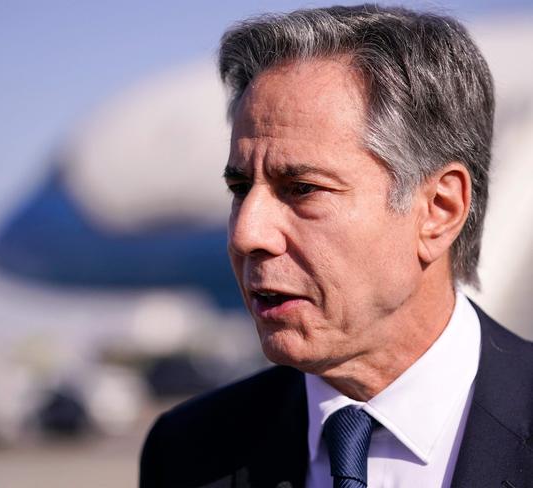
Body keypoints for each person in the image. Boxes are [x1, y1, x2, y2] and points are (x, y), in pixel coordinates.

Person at [140, 5, 533, 488]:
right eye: (240, 188)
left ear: (439, 209)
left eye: (302, 188)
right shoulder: (186, 452)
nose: (246, 233)